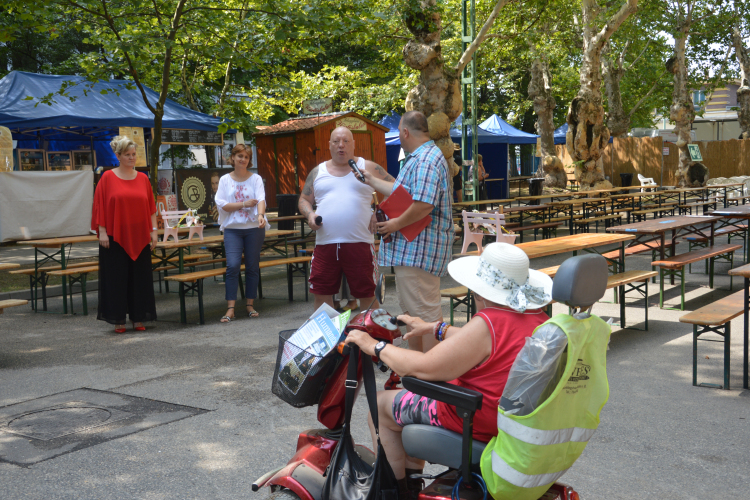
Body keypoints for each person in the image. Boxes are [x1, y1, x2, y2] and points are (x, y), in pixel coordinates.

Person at [344, 243, 552, 500]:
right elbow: (482, 344)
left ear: (479, 290)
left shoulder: (489, 322)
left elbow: (420, 367)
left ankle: (394, 494)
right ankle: (411, 485)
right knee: (410, 399)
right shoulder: (538, 318)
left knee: (381, 403)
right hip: (509, 417)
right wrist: (434, 328)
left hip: (472, 417)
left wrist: (374, 346)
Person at [363, 110, 454, 353]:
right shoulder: (423, 157)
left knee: (425, 317)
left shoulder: (424, 160)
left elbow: (423, 204)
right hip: (414, 252)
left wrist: (394, 225)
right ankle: (418, 372)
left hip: (418, 252)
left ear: (405, 132)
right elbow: (401, 193)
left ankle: (433, 376)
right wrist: (371, 180)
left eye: (399, 133)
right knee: (414, 316)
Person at [298, 126, 393, 311]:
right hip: (325, 244)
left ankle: (370, 337)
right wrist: (310, 215)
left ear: (353, 144)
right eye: (336, 141)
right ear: (329, 145)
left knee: (367, 294)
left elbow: (397, 189)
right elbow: (303, 199)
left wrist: (379, 211)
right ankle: (327, 339)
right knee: (321, 293)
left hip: (360, 243)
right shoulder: (318, 171)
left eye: (346, 141)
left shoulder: (369, 167)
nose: (341, 146)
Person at [91, 136, 158, 333]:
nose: (131, 158)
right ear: (118, 156)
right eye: (127, 155)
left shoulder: (143, 179)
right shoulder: (107, 178)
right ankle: (118, 319)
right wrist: (102, 231)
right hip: (114, 235)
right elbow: (99, 205)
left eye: (134, 154)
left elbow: (151, 208)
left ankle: (139, 318)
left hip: (140, 235)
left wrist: (154, 232)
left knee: (140, 279)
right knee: (116, 279)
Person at [215, 144, 267, 321]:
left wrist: (260, 215)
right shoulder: (224, 180)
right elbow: (222, 204)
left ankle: (250, 305)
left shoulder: (256, 179)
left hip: (254, 228)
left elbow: (261, 199)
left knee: (252, 266)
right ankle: (230, 308)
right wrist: (244, 204)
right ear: (233, 159)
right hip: (232, 230)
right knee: (233, 266)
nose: (243, 159)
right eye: (239, 156)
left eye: (245, 157)